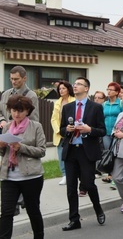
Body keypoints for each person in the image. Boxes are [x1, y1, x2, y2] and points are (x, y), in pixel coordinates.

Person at [60, 77, 106, 231]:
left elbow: (102, 130)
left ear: (86, 88)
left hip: (87, 151)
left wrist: (89, 130)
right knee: (71, 188)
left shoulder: (95, 107)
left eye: (78, 84)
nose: (75, 86)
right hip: (71, 150)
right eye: (74, 84)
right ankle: (74, 220)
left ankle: (98, 209)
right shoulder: (67, 107)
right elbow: (60, 130)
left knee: (88, 183)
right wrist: (67, 130)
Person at [0, 95, 46, 239]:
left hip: (31, 176)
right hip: (8, 176)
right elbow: (4, 153)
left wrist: (21, 147)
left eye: (20, 110)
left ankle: (39, 236)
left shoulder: (36, 126)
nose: (16, 114)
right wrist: (1, 147)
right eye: (14, 110)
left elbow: (42, 151)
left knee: (33, 210)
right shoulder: (7, 127)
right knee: (6, 212)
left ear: (27, 111)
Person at [51, 81, 75, 186]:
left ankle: (74, 174)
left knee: (73, 154)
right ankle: (64, 175)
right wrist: (58, 130)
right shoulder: (57, 102)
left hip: (72, 131)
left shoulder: (74, 100)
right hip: (60, 133)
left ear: (69, 89)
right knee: (61, 154)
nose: (61, 90)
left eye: (63, 88)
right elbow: (53, 119)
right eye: (60, 89)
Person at [102, 82, 123, 185]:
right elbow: (102, 118)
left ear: (116, 92)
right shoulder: (104, 104)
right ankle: (111, 174)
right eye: (108, 89)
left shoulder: (121, 103)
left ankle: (116, 177)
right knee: (109, 153)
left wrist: (120, 131)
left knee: (116, 154)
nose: (109, 91)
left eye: (111, 90)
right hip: (106, 133)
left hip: (118, 133)